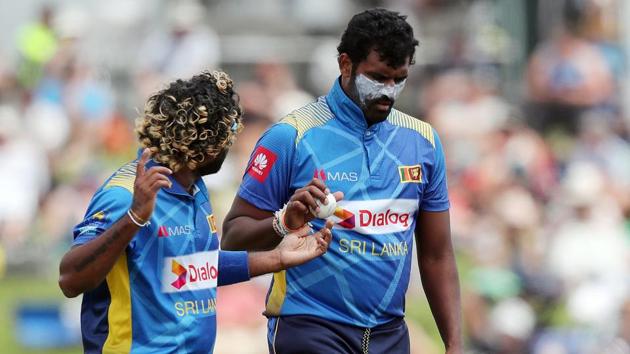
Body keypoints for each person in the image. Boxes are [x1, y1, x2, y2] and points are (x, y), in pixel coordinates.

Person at [221, 8, 462, 354]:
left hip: (389, 334)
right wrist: (283, 222)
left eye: (399, 79)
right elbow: (232, 238)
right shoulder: (290, 136)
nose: (389, 92)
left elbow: (438, 254)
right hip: (310, 326)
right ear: (345, 64)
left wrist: (454, 344)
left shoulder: (423, 141)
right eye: (377, 78)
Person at [58, 71, 333, 353]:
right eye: (230, 133)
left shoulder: (195, 188)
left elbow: (193, 269)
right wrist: (134, 217)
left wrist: (277, 257)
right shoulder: (126, 194)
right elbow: (70, 279)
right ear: (207, 144)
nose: (232, 143)